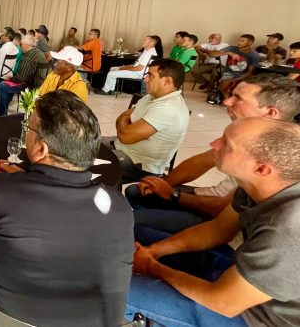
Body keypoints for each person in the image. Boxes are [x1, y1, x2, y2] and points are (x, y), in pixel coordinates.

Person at [0, 91, 133, 326]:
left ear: (41, 149)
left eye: (30, 130)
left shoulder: (0, 192)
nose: (27, 137)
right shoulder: (119, 207)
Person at [126, 118, 300, 327]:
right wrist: (154, 251)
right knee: (137, 234)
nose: (214, 144)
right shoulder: (257, 187)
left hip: (257, 317)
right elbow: (216, 231)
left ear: (262, 169)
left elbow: (223, 302)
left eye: (226, 144)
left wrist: (152, 267)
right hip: (239, 276)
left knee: (117, 292)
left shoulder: (287, 229)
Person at [127, 74, 300, 236]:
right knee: (138, 192)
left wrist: (173, 195)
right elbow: (200, 162)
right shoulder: (246, 131)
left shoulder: (279, 154)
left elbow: (222, 211)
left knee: (132, 223)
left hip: (223, 223)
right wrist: (164, 183)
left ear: (270, 113)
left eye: (238, 98)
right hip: (212, 200)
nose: (226, 101)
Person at [107, 59, 189, 182]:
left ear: (167, 81)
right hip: (122, 148)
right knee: (84, 143)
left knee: (83, 163)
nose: (145, 79)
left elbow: (125, 135)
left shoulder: (168, 108)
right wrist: (126, 122)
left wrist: (125, 121)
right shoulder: (151, 96)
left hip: (139, 164)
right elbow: (123, 121)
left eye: (150, 75)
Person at [0, 35, 47, 116]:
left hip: (31, 86)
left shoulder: (28, 58)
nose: (19, 46)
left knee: (2, 86)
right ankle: (3, 112)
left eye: (21, 44)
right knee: (8, 86)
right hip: (38, 84)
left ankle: (1, 113)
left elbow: (21, 79)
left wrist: (11, 78)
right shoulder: (38, 52)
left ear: (26, 45)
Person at [97, 35, 161, 95]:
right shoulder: (149, 51)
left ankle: (106, 90)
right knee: (112, 69)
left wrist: (123, 68)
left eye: (145, 40)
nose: (142, 41)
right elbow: (136, 64)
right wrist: (123, 67)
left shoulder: (148, 53)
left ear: (151, 43)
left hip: (138, 73)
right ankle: (111, 90)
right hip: (138, 71)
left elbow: (139, 68)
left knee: (111, 73)